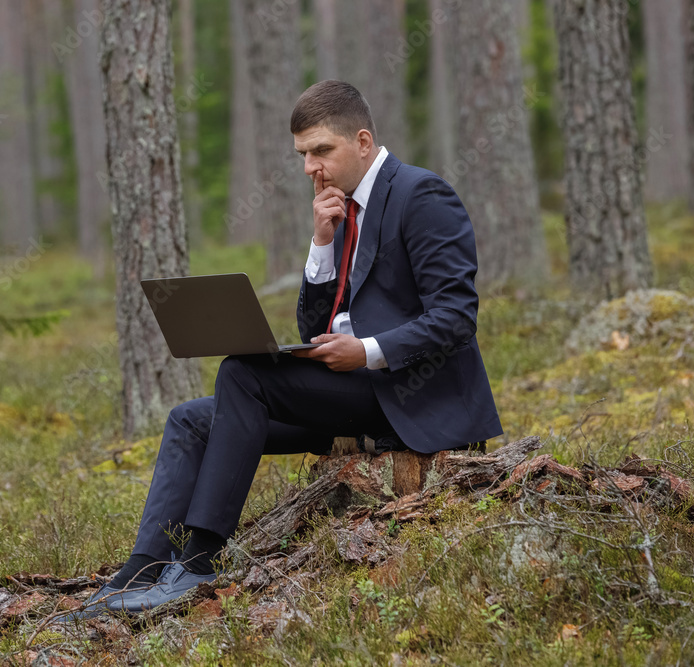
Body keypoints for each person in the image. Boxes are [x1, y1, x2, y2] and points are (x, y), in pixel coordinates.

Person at [55, 79, 502, 621]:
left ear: (362, 142)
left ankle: (197, 562)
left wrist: (366, 351)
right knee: (190, 420)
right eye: (302, 155)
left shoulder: (421, 195)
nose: (310, 168)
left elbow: (456, 316)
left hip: (408, 395)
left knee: (244, 375)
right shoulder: (340, 208)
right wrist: (319, 242)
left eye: (321, 151)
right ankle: (144, 570)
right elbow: (314, 325)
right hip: (353, 392)